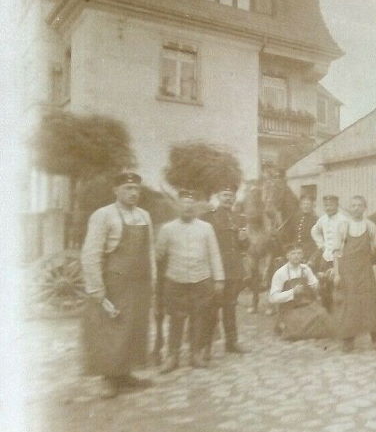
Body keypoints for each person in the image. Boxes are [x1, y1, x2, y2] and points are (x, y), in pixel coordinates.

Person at [80, 171, 156, 399]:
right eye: (127, 189)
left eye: (136, 190)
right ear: (116, 190)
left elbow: (150, 250)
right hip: (116, 283)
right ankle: (109, 379)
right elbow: (90, 254)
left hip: (139, 282)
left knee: (135, 328)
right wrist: (96, 288)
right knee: (113, 330)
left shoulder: (144, 216)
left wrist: (153, 279)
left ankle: (126, 374)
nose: (133, 194)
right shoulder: (103, 216)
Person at [156, 190, 225, 372]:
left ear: (195, 207)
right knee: (176, 319)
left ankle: (195, 354)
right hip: (175, 280)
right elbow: (158, 255)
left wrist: (219, 278)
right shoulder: (167, 229)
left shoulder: (205, 228)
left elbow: (214, 253)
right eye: (183, 203)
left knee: (199, 317)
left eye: (190, 204)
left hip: (201, 279)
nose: (187, 207)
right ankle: (173, 356)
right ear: (178, 206)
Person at [331, 195, 376, 352]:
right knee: (350, 304)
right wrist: (336, 273)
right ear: (350, 208)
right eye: (353, 205)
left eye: (359, 205)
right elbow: (336, 252)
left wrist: (375, 271)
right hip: (347, 271)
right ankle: (348, 341)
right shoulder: (343, 226)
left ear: (364, 208)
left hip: (365, 270)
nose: (356, 208)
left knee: (372, 302)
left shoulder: (370, 226)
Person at [202, 183, 250, 357]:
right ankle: (206, 346)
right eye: (224, 195)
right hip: (216, 270)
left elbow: (244, 246)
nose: (228, 199)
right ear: (218, 197)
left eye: (231, 196)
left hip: (234, 269)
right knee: (212, 308)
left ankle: (232, 342)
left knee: (230, 307)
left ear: (234, 198)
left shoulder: (240, 218)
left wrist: (244, 239)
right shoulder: (209, 218)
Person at [269, 243, 323, 339]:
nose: (296, 256)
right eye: (293, 253)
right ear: (287, 256)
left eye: (299, 253)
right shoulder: (280, 273)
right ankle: (284, 325)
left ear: (302, 255)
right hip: (289, 308)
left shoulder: (306, 269)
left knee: (322, 316)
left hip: (305, 306)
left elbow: (314, 283)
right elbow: (273, 298)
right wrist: (292, 292)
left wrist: (317, 284)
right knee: (296, 328)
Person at [311, 194, 349, 308]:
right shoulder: (322, 219)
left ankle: (340, 310)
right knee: (323, 284)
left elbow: (347, 240)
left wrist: (342, 252)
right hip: (326, 257)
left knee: (339, 285)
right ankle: (327, 309)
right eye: (326, 205)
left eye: (331, 205)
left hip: (340, 259)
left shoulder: (343, 220)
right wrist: (321, 245)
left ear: (337, 205)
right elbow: (314, 231)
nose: (328, 208)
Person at [280, 195, 319, 263]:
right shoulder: (296, 218)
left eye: (308, 204)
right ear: (300, 206)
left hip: (309, 251)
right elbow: (289, 234)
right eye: (304, 204)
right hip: (294, 249)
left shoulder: (316, 220)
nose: (306, 206)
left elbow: (317, 240)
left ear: (312, 206)